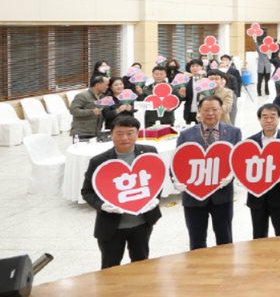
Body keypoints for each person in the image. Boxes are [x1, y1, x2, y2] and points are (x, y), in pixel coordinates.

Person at [81, 116, 161, 269]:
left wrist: (154, 198)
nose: (125, 138)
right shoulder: (99, 161)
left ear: (137, 134)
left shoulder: (149, 152)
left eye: (130, 133)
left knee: (142, 264)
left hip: (142, 222)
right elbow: (87, 191)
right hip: (111, 226)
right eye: (119, 133)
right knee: (110, 267)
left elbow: (156, 180)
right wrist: (102, 205)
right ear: (110, 134)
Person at [172, 96, 243, 250]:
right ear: (199, 111)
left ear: (221, 109)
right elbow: (176, 161)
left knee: (224, 238)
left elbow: (239, 160)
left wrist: (233, 175)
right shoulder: (187, 134)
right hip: (193, 195)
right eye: (206, 110)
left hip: (222, 195)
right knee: (197, 239)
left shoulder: (233, 132)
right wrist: (175, 180)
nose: (210, 113)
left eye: (214, 109)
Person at [245, 104, 280, 239]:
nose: (268, 120)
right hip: (257, 197)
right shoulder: (250, 142)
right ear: (259, 119)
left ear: (279, 117)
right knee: (259, 235)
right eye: (264, 117)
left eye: (273, 116)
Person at [178, 59, 205, 124]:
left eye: (197, 66)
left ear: (201, 67)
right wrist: (182, 95)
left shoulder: (206, 81)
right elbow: (183, 98)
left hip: (202, 111)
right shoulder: (186, 81)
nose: (195, 68)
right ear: (190, 68)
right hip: (189, 111)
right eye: (192, 66)